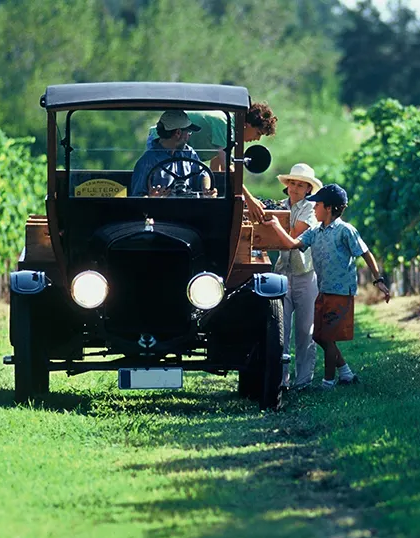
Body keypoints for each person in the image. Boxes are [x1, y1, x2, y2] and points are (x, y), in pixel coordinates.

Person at [263, 183, 391, 390]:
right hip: (323, 291)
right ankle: (346, 373)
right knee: (319, 336)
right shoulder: (315, 231)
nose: (314, 208)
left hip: (340, 292)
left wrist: (379, 280)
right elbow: (291, 244)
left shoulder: (345, 231)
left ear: (329, 208)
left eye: (318, 205)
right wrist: (276, 226)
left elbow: (365, 253)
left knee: (328, 336)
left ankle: (328, 382)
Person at [145, 102, 277, 219]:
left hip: (182, 154)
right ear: (247, 124)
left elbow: (216, 167)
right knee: (163, 190)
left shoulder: (228, 131)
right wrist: (249, 199)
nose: (257, 139)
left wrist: (214, 196)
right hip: (162, 141)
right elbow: (227, 168)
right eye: (258, 133)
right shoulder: (225, 125)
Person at [274, 164, 323, 391]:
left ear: (307, 189)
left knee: (306, 330)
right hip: (283, 272)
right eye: (292, 183)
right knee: (280, 330)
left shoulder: (310, 209)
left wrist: (272, 226)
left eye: (300, 185)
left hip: (305, 274)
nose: (295, 188)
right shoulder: (280, 207)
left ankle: (303, 381)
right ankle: (280, 379)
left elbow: (294, 236)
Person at [130, 110, 214, 198]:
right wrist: (152, 198)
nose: (189, 136)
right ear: (178, 133)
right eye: (189, 132)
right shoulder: (147, 161)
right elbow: (137, 197)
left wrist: (206, 190)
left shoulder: (188, 152)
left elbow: (204, 173)